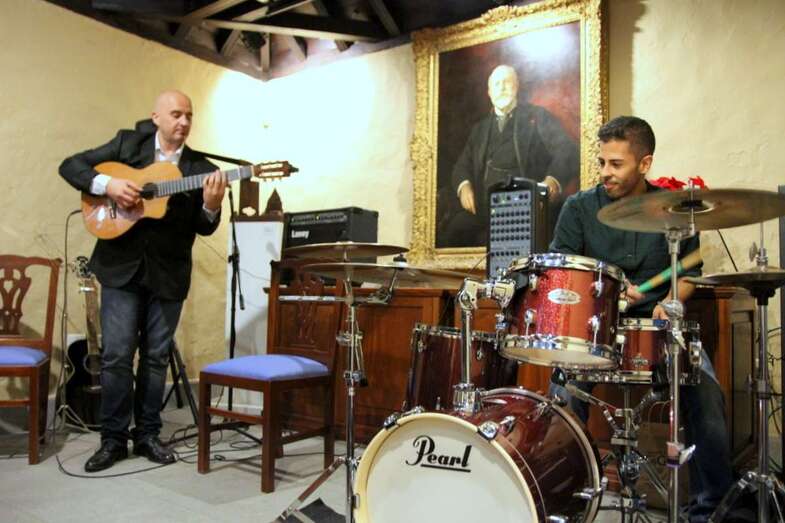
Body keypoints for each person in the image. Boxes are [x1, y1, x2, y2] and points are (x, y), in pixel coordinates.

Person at [548, 116, 732, 522]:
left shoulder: (672, 208)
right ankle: (566, 497)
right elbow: (564, 272)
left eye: (616, 164)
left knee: (705, 389)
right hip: (596, 324)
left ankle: (711, 507)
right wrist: (608, 296)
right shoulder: (579, 208)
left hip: (657, 324)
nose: (605, 173)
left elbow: (687, 273)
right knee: (562, 391)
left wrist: (670, 303)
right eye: (602, 163)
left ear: (645, 164)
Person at [59, 90, 228, 472]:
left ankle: (148, 435)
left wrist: (211, 206)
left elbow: (203, 226)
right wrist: (109, 186)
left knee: (155, 360)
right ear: (156, 116)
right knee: (117, 356)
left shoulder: (200, 168)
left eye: (189, 115)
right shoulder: (126, 144)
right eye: (175, 114)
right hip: (121, 269)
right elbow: (71, 166)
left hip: (168, 274)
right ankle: (113, 440)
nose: (183, 122)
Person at [442, 64, 579, 247]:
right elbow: (461, 166)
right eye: (497, 84)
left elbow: (566, 149)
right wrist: (464, 186)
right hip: (485, 209)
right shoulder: (479, 129)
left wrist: (552, 180)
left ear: (517, 86)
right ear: (489, 93)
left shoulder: (537, 117)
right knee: (454, 231)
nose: (502, 87)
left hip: (527, 208)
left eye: (507, 82)